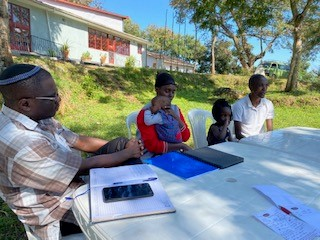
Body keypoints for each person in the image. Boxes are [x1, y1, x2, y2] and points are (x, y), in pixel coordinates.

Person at [0, 64, 144, 240]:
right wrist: (128, 154)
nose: (58, 99)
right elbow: (80, 167)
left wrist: (124, 147)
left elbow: (77, 140)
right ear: (26, 104)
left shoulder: (34, 118)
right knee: (132, 204)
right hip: (55, 210)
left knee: (120, 145)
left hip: (68, 184)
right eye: (52, 96)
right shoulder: (20, 141)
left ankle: (142, 193)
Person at [137, 72, 191, 158]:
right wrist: (181, 146)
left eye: (173, 92)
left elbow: (186, 136)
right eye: (167, 91)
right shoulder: (146, 113)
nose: (171, 95)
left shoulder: (175, 110)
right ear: (157, 90)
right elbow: (153, 146)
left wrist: (175, 116)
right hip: (150, 157)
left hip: (172, 154)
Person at [232, 74, 274, 139]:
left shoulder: (268, 104)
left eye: (266, 85)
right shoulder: (239, 105)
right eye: (260, 85)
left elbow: (270, 131)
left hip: (260, 141)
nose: (264, 89)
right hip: (243, 142)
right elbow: (238, 135)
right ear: (251, 87)